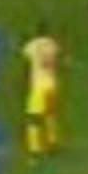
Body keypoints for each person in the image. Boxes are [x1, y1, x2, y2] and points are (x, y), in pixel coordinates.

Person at [22, 22, 62, 162]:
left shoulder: (32, 45)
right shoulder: (52, 44)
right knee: (50, 114)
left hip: (39, 85)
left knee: (33, 118)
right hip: (52, 83)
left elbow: (26, 61)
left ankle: (35, 150)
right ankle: (52, 143)